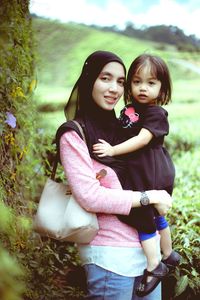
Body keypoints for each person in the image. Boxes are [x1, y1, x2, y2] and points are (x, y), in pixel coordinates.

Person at [55, 50, 173, 300]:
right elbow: (90, 196)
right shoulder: (74, 134)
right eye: (105, 78)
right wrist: (148, 197)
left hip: (146, 256)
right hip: (110, 258)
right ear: (89, 80)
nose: (114, 88)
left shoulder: (123, 128)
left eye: (120, 81)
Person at [93, 53, 181, 296]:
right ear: (130, 83)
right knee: (153, 213)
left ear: (162, 87)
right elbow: (120, 131)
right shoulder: (130, 109)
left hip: (151, 168)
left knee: (141, 213)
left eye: (151, 83)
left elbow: (141, 139)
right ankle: (168, 251)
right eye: (137, 81)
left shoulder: (156, 113)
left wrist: (112, 150)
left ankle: (154, 265)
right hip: (139, 167)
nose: (143, 88)